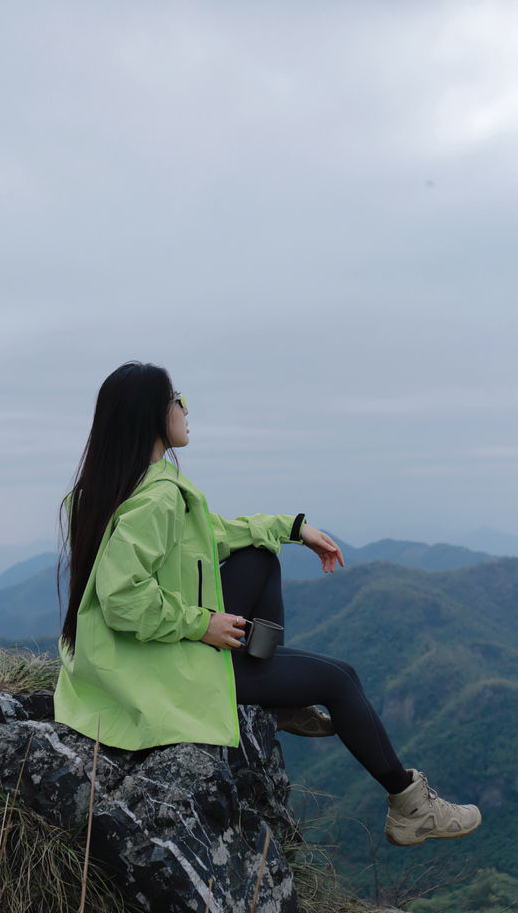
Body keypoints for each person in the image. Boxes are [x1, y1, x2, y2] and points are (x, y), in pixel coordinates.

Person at [54, 361, 481, 847]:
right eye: (179, 400)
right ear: (153, 413)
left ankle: (273, 695)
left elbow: (213, 536)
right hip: (152, 674)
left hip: (121, 662)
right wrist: (202, 625)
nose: (186, 410)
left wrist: (292, 529)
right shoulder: (157, 500)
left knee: (258, 555)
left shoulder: (115, 486)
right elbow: (122, 598)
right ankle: (410, 806)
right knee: (340, 679)